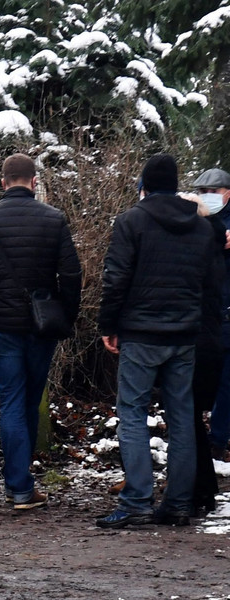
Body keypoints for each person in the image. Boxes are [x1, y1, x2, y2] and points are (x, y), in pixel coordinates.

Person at [96, 154, 221, 528]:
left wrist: (108, 325)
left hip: (141, 333)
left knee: (132, 413)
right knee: (182, 417)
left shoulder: (131, 221)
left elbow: (115, 278)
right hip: (185, 335)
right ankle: (179, 502)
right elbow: (211, 286)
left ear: (144, 186)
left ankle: (136, 500)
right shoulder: (203, 228)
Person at [0, 153, 82, 510]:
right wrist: (64, 318)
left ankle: (19, 487)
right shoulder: (54, 220)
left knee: (11, 400)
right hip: (43, 328)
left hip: (4, 327)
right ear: (34, 181)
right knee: (29, 400)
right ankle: (23, 485)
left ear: (3, 182)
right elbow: (71, 275)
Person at [179, 191, 226, 516]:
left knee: (188, 418)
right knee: (193, 419)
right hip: (212, 340)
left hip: (192, 341)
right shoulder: (215, 249)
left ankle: (199, 491)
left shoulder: (191, 251)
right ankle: (203, 488)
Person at [196, 168, 230, 465]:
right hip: (208, 314)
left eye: (214, 191)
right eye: (204, 191)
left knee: (228, 382)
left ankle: (218, 439)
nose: (209, 196)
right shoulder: (197, 219)